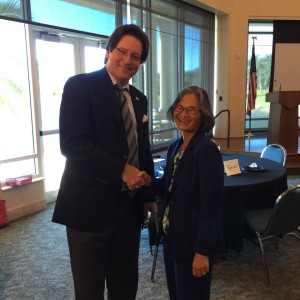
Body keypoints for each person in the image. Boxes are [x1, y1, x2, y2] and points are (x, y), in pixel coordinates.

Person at [52, 24, 158, 300]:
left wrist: (147, 195)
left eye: (135, 56)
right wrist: (122, 170)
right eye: (122, 51)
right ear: (109, 51)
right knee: (89, 290)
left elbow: (142, 149)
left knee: (125, 286)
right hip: (88, 209)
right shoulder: (80, 86)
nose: (127, 60)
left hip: (128, 209)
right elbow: (73, 143)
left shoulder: (139, 99)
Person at [153, 86, 224, 300]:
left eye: (191, 110)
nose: (183, 114)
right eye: (180, 107)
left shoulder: (206, 150)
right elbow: (170, 188)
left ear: (203, 115)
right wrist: (147, 182)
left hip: (193, 245)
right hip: (172, 238)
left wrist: (203, 251)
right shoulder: (176, 145)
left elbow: (211, 206)